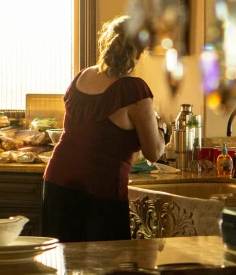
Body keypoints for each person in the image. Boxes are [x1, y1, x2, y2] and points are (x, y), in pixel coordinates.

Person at [42, 16, 167, 242]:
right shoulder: (134, 90)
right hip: (100, 189)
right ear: (138, 53)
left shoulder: (82, 76)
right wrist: (160, 128)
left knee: (61, 264)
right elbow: (154, 152)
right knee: (107, 269)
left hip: (57, 181)